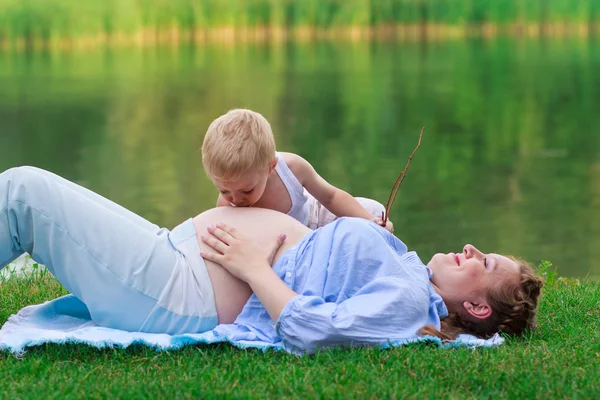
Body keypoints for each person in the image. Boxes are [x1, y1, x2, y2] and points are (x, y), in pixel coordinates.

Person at [0, 166, 542, 353]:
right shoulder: (406, 276)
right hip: (176, 257)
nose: (471, 249)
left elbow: (318, 332)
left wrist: (252, 265)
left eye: (484, 262)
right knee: (24, 194)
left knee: (23, 194)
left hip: (179, 293)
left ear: (473, 307)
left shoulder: (407, 304)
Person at [201, 109, 394, 232]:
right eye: (224, 191)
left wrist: (369, 220)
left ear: (270, 167)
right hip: (290, 247)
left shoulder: (291, 169)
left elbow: (331, 197)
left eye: (247, 191)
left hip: (314, 219)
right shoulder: (226, 207)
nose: (236, 200)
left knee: (374, 211)